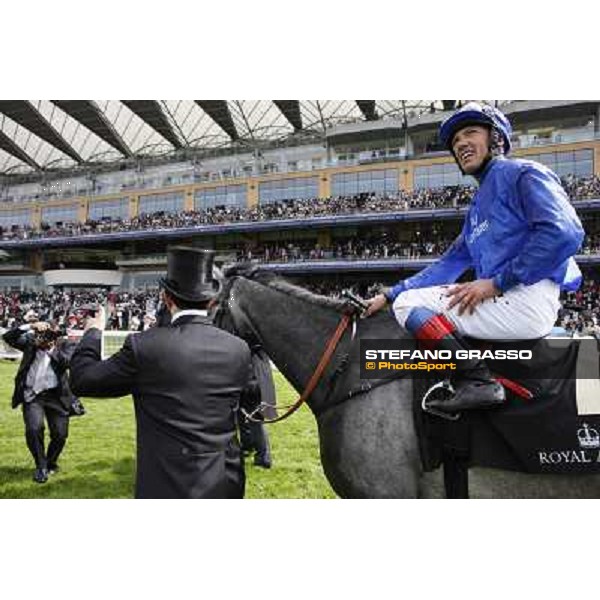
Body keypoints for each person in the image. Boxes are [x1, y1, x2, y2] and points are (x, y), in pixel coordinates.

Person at [365, 102, 584, 413]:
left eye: (470, 133)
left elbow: (564, 232)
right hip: (511, 300)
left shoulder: (523, 173)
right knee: (406, 299)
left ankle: (477, 379)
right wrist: (388, 294)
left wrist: (497, 283)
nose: (461, 144)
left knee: (409, 304)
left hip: (523, 298)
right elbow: (447, 266)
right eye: (455, 141)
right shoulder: (477, 208)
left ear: (495, 139)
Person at [69, 246, 259, 499]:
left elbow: (82, 380)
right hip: (226, 481)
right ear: (212, 301)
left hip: (167, 483)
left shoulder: (144, 346)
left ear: (166, 298)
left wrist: (93, 332)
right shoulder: (238, 348)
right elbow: (251, 398)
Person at [3, 320, 80, 483]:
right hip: (33, 394)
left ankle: (50, 462)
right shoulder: (30, 342)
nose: (44, 337)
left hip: (57, 396)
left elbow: (68, 362)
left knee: (60, 434)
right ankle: (41, 467)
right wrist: (29, 326)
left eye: (49, 333)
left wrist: (51, 349)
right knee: (33, 429)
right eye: (41, 333)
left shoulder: (66, 344)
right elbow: (8, 337)